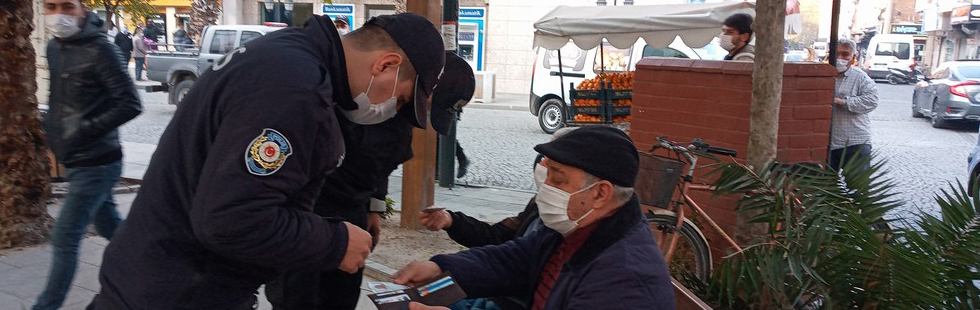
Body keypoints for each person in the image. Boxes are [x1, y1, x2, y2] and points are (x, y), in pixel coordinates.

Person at [91, 13, 445, 310]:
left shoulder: (288, 53)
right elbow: (230, 219)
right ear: (386, 64)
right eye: (399, 100)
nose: (390, 112)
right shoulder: (296, 89)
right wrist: (335, 241)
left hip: (160, 273)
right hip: (178, 288)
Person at [265, 52, 476, 310]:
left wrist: (374, 206)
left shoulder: (404, 112)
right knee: (297, 298)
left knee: (341, 295)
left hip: (353, 209)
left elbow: (381, 167)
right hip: (310, 211)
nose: (413, 108)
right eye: (426, 103)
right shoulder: (343, 96)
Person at [394, 127, 676, 310]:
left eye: (558, 178)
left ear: (601, 193)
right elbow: (513, 258)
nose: (546, 186)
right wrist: (440, 267)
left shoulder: (625, 280)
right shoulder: (576, 228)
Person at [34, 1, 143, 309]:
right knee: (110, 227)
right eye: (51, 6)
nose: (58, 14)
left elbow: (130, 104)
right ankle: (162, 267)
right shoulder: (54, 48)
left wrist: (82, 130)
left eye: (67, 6)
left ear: (82, 10)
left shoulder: (101, 49)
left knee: (65, 235)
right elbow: (59, 98)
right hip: (74, 158)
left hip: (99, 160)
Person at [830, 38, 878, 172]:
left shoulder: (861, 78)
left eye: (845, 54)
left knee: (856, 189)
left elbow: (872, 101)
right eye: (836, 54)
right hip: (829, 143)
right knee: (826, 187)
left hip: (855, 142)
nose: (840, 58)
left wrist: (845, 102)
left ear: (853, 57)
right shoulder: (824, 75)